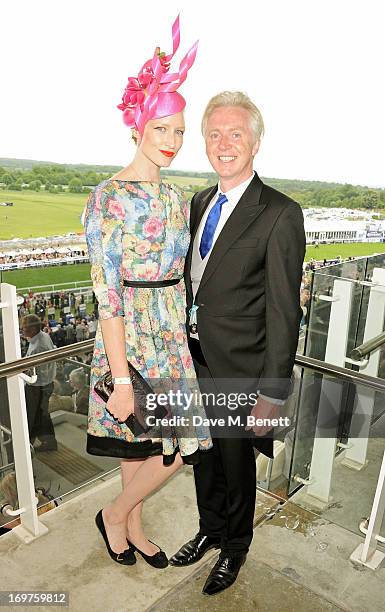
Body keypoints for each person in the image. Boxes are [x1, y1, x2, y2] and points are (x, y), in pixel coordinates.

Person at [83, 16, 211, 569]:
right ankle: (128, 522)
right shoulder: (107, 197)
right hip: (129, 338)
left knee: (175, 447)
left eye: (180, 131)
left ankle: (116, 515)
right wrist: (119, 377)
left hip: (170, 336)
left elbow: (183, 274)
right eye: (162, 129)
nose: (173, 141)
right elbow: (106, 294)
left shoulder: (178, 198)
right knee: (144, 442)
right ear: (137, 125)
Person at [170, 91, 306, 595]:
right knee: (203, 457)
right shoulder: (200, 201)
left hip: (240, 370)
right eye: (214, 134)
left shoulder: (280, 213)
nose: (224, 144)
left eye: (236, 134)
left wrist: (272, 395)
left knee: (234, 461)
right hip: (194, 361)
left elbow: (284, 311)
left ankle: (236, 546)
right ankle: (210, 529)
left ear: (256, 141)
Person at [21, 314, 58, 452]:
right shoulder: (41, 337)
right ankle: (47, 442)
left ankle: (34, 444)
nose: (22, 330)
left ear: (33, 328)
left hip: (39, 386)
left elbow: (38, 372)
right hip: (43, 384)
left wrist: (24, 371)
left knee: (36, 416)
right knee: (41, 415)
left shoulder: (39, 345)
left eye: (24, 328)